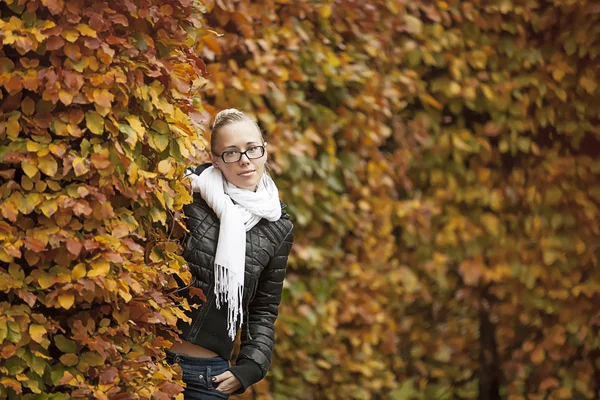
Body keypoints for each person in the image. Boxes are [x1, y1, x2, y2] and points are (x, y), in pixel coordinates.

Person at [167, 108, 294, 399]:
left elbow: (262, 309)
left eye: (252, 149)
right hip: (152, 363)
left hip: (207, 379)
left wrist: (251, 367)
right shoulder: (188, 196)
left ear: (264, 149)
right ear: (215, 160)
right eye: (231, 152)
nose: (245, 159)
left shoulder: (278, 226)